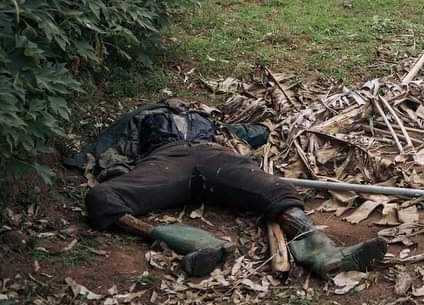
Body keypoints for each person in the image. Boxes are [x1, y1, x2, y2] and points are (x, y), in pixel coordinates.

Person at [78, 99, 387, 279]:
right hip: (166, 159)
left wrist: (238, 130)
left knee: (277, 191)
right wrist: (109, 165)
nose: (179, 103)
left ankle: (324, 253)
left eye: (185, 103)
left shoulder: (210, 122)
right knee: (102, 198)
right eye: (173, 101)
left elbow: (259, 133)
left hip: (216, 156)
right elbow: (107, 144)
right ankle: (194, 243)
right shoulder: (141, 117)